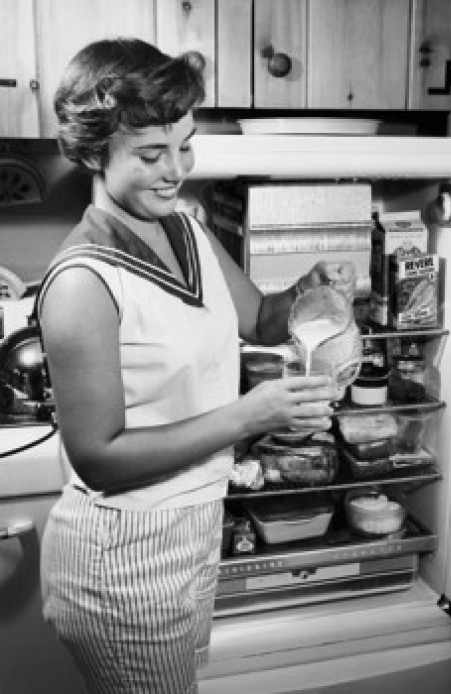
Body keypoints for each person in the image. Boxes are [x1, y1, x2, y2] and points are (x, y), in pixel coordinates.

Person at [37, 37, 356, 694]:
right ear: (95, 152)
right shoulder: (83, 283)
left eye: (185, 144)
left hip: (191, 528)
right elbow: (98, 456)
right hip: (122, 556)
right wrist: (248, 414)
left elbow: (258, 320)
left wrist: (307, 289)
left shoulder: (186, 227)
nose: (176, 167)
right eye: (152, 154)